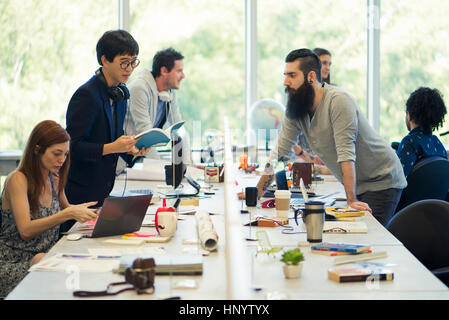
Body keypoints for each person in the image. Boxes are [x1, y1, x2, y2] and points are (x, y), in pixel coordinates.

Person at [254, 48, 407, 226]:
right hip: (358, 182)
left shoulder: (338, 101)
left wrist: (351, 200)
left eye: (292, 75)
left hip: (381, 179)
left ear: (311, 76)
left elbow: (346, 153)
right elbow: (279, 154)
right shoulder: (296, 108)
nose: (285, 82)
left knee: (367, 234)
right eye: (285, 75)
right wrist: (256, 193)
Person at [0, 120, 98, 298]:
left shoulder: (54, 178)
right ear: (37, 150)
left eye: (66, 154)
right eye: (56, 153)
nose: (62, 160)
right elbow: (25, 230)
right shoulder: (17, 179)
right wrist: (66, 214)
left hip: (46, 258)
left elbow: (69, 209)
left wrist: (96, 215)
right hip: (14, 262)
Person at [64, 30, 149, 232]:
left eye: (133, 62)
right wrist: (113, 147)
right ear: (104, 59)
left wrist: (130, 150)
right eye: (124, 62)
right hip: (81, 194)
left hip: (104, 190)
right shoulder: (86, 95)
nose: (129, 68)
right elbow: (73, 147)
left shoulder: (118, 93)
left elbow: (111, 140)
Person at [123, 47, 190, 163]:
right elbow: (146, 135)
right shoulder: (139, 88)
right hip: (123, 164)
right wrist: (160, 169)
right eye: (179, 71)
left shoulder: (169, 92)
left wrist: (188, 165)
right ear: (164, 71)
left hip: (140, 161)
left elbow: (178, 128)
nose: (183, 76)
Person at [397, 87, 447, 177]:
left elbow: (399, 181)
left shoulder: (409, 143)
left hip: (412, 191)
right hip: (435, 191)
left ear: (409, 115)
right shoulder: (437, 143)